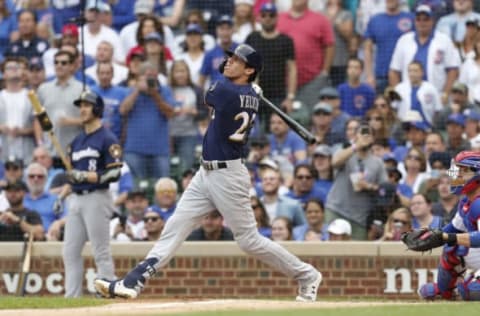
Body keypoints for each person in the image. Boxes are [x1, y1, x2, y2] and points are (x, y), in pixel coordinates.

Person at [95, 44, 322, 302]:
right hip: (207, 173)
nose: (229, 62)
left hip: (228, 176)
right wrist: (250, 90)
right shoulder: (247, 94)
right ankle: (134, 280)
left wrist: (247, 89)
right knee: (175, 226)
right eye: (231, 58)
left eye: (238, 61)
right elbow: (238, 96)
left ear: (249, 70)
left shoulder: (225, 89)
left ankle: (307, 275)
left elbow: (210, 95)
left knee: (249, 240)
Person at [62, 91, 123, 298]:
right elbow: (73, 177)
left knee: (101, 252)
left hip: (97, 198)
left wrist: (86, 176)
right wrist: (61, 195)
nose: (82, 109)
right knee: (70, 252)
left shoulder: (107, 138)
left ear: (97, 109)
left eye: (87, 105)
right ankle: (72, 298)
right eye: (80, 106)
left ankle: (107, 295)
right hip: (76, 199)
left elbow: (114, 172)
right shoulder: (77, 141)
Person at [418, 150, 480, 301]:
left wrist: (447, 237)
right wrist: (431, 235)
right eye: (457, 170)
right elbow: (454, 227)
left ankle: (463, 289)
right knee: (452, 248)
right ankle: (445, 291)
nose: (457, 176)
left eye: (462, 171)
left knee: (472, 291)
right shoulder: (466, 201)